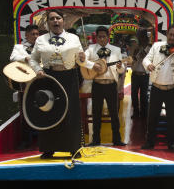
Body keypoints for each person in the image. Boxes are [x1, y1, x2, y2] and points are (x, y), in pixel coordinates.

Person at [27, 10, 86, 158]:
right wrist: (38, 70)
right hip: (49, 78)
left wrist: (83, 58)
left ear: (63, 21)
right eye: (52, 19)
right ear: (48, 23)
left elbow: (80, 60)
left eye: (58, 18)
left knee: (71, 112)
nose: (55, 21)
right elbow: (32, 59)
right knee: (49, 110)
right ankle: (48, 149)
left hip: (70, 76)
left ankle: (74, 148)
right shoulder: (41, 40)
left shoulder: (74, 38)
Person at [142, 25, 174, 151]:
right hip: (156, 88)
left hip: (172, 89)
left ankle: (171, 143)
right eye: (170, 34)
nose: (172, 37)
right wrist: (148, 65)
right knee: (152, 117)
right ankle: (150, 142)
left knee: (172, 118)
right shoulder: (156, 46)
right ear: (167, 34)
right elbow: (146, 59)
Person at [83, 26, 126, 146]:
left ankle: (117, 139)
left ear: (108, 37)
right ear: (96, 38)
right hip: (97, 84)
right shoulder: (91, 49)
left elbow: (122, 69)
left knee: (114, 113)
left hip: (111, 85)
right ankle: (95, 140)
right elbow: (83, 61)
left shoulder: (116, 50)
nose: (102, 39)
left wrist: (119, 67)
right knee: (96, 113)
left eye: (104, 36)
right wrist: (92, 65)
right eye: (99, 37)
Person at [129, 28, 151, 119]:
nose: (140, 39)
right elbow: (131, 60)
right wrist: (134, 55)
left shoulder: (150, 48)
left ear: (145, 37)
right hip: (135, 74)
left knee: (144, 96)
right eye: (139, 37)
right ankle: (136, 112)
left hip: (144, 75)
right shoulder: (135, 47)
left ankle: (144, 113)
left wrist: (145, 54)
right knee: (134, 95)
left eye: (141, 37)